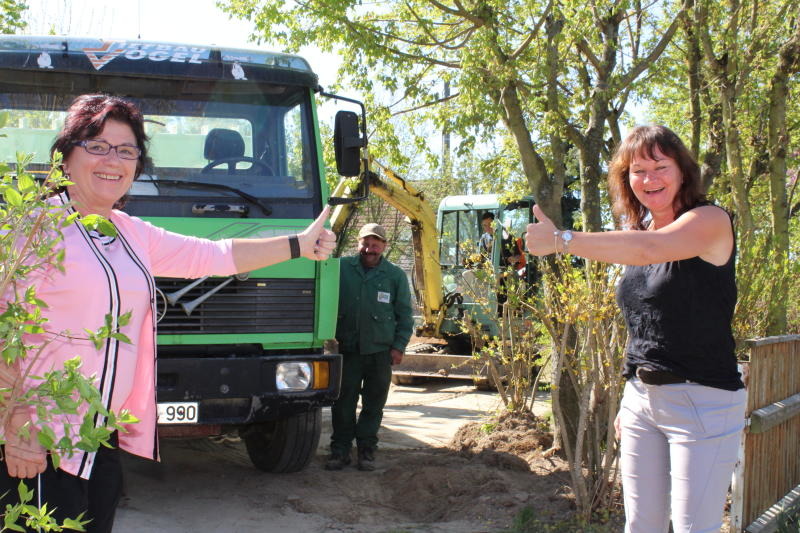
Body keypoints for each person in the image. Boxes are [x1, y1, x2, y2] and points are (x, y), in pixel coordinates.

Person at [0, 94, 336, 532]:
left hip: (97, 438)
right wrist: (18, 422)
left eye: (126, 150)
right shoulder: (35, 229)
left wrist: (298, 245)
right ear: (66, 156)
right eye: (97, 146)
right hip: (42, 438)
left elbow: (213, 256)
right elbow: (5, 328)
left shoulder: (126, 231)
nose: (112, 160)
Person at [525, 125, 745, 533]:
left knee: (694, 528)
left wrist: (560, 239)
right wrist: (634, 396)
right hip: (644, 402)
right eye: (637, 170)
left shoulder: (710, 220)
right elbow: (644, 322)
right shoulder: (639, 234)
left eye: (660, 166)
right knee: (641, 527)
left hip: (703, 402)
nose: (649, 179)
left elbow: (650, 250)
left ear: (683, 171)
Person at [326, 223, 413, 472]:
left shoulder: (394, 275)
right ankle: (340, 451)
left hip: (380, 353)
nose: (369, 249)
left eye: (375, 244)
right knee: (343, 404)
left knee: (374, 404)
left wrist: (399, 346)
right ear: (358, 243)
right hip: (348, 351)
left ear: (384, 246)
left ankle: (366, 451)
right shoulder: (341, 268)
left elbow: (405, 316)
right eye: (366, 243)